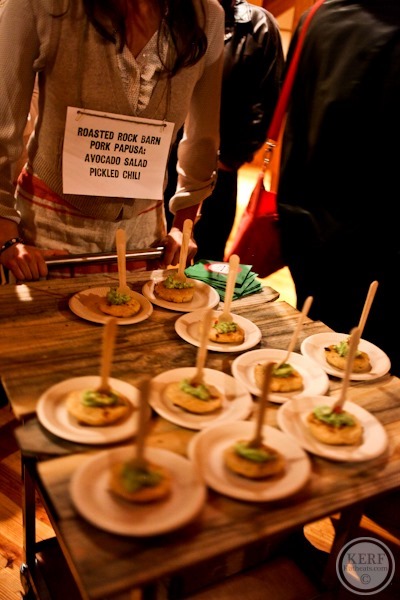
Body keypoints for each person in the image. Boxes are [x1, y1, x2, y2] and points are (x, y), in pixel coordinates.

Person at [0, 0, 224, 281]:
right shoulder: (42, 6)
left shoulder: (206, 16)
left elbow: (203, 138)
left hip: (144, 238)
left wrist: (184, 225)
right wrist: (5, 234)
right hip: (49, 233)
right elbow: (3, 127)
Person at [277, 0, 400, 376]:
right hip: (380, 243)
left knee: (315, 346)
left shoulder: (317, 16)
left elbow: (295, 123)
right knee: (375, 371)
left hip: (307, 229)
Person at [164, 0, 284, 261]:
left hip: (219, 170)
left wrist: (228, 160)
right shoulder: (171, 13)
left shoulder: (260, 25)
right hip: (159, 166)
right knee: (151, 258)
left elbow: (268, 102)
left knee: (205, 262)